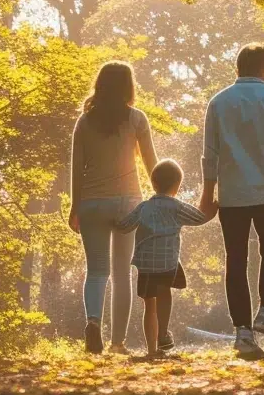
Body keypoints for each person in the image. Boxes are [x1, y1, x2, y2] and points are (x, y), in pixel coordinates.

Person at [200, 42, 264, 359]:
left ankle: (243, 332)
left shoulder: (218, 102)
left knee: (236, 260)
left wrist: (208, 193)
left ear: (238, 68)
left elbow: (210, 153)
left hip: (231, 194)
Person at [68, 61, 157, 355]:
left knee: (96, 270)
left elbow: (76, 169)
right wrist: (162, 198)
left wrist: (75, 206)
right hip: (128, 203)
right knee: (122, 274)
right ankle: (118, 343)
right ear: (129, 86)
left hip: (92, 203)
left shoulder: (85, 121)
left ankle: (93, 322)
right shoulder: (137, 119)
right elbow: (151, 164)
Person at [117, 159, 218, 358]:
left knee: (149, 305)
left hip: (146, 264)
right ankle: (163, 333)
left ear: (153, 184)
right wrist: (212, 211)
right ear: (177, 186)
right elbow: (199, 218)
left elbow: (125, 226)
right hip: (167, 263)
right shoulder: (177, 207)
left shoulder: (144, 207)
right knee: (164, 295)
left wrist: (113, 220)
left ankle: (152, 350)